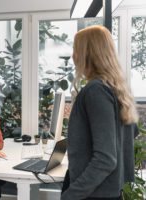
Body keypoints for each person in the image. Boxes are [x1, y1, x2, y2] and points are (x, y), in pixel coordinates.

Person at [61, 25, 140, 200]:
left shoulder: (96, 90)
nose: (74, 56)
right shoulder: (116, 87)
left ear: (87, 54)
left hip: (94, 193)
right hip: (109, 190)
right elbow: (131, 131)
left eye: (76, 50)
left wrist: (71, 195)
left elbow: (106, 158)